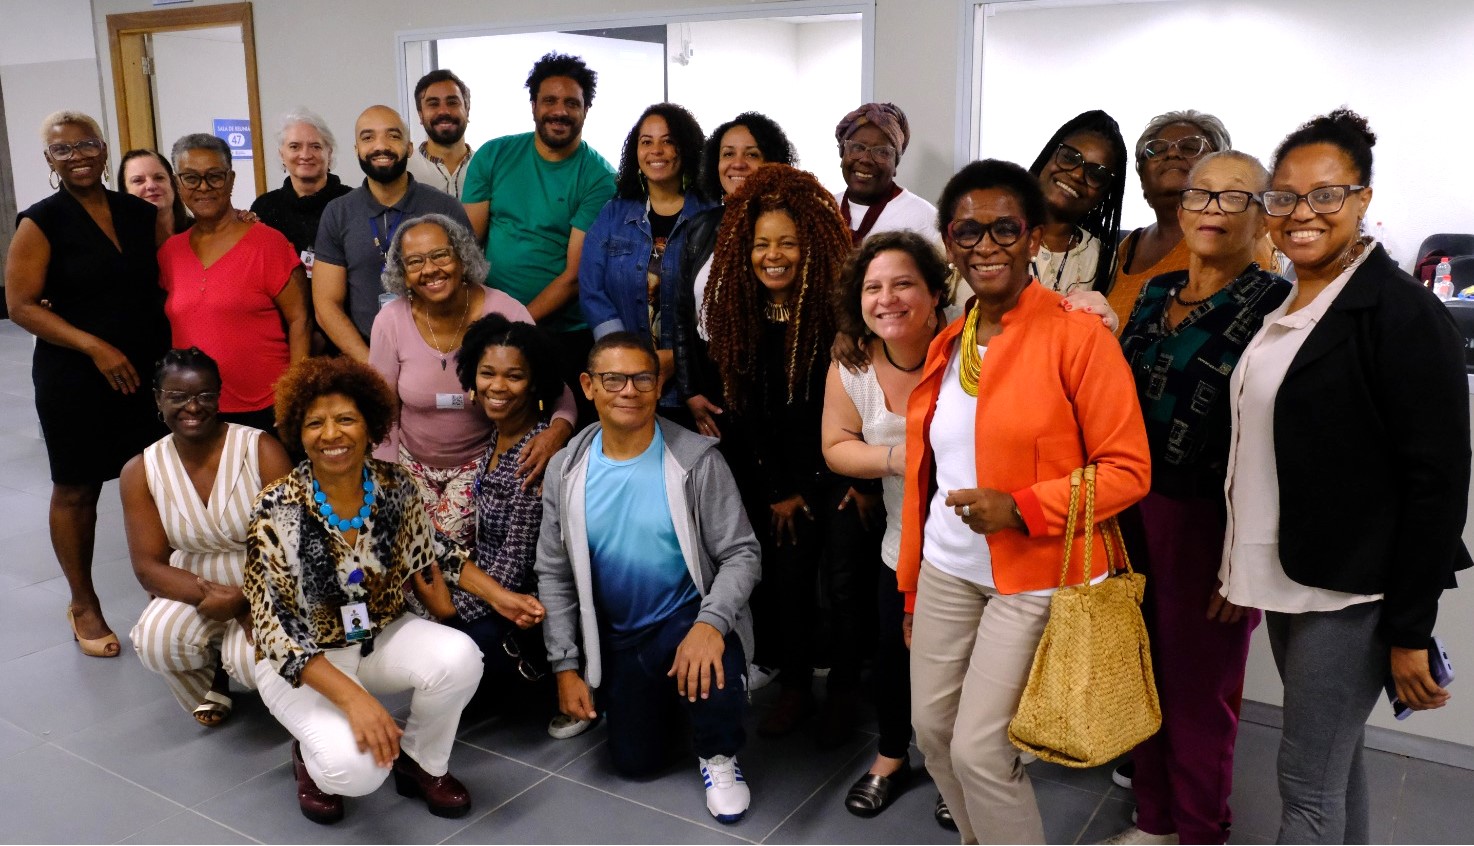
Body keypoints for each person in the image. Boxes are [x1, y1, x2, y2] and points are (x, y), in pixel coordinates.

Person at [1216, 109, 1468, 844]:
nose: (1301, 214)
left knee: (1305, 788)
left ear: (1361, 200)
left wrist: (1410, 629)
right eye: (1284, 196)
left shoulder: (1401, 314)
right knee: (1335, 762)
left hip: (1350, 592)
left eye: (1326, 195)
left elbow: (1438, 483)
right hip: (1292, 576)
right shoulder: (1284, 301)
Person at [898, 159, 1150, 844]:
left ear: (1033, 237)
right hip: (949, 571)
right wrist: (913, 591)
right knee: (932, 730)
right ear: (949, 243)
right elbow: (928, 474)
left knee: (981, 750)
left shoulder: (1076, 336)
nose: (986, 245)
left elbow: (1127, 469)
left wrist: (1022, 507)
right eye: (968, 231)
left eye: (1004, 228)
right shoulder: (950, 342)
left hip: (1036, 574)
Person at [1106, 152, 1292, 845]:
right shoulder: (1154, 296)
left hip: (1212, 524)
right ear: (1179, 208)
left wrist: (1247, 561)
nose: (1212, 209)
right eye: (1200, 195)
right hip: (1131, 511)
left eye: (1233, 197)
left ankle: (1198, 832)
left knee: (1198, 698)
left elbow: (1280, 445)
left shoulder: (1276, 307)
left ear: (1262, 213)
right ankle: (1153, 822)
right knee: (1139, 679)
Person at [245, 356, 519, 824]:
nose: (331, 434)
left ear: (370, 425)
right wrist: (356, 702)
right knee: (356, 774)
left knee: (461, 657)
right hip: (305, 662)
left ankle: (421, 763)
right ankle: (310, 758)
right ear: (298, 431)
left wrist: (500, 596)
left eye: (346, 419)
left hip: (378, 639)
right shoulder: (279, 508)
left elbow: (436, 551)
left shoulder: (393, 486)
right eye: (316, 423)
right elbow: (277, 632)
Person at [536, 332, 760, 823]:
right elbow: (552, 571)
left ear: (659, 387)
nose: (628, 390)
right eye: (612, 379)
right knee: (636, 766)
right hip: (616, 638)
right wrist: (565, 665)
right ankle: (670, 702)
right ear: (588, 386)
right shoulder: (565, 468)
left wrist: (710, 625)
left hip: (684, 618)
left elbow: (743, 553)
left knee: (711, 666)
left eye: (642, 378)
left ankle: (718, 752)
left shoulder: (698, 459)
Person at [4, 110, 170, 658]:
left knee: (150, 484)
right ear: (49, 161)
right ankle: (83, 601)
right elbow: (21, 305)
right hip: (75, 375)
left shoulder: (137, 213)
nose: (76, 156)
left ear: (104, 151)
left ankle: (166, 592)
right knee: (77, 490)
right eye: (62, 150)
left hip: (144, 370)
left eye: (86, 145)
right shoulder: (40, 221)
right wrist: (94, 346)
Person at [699, 163, 851, 736]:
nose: (773, 254)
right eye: (762, 243)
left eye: (787, 241)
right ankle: (793, 686)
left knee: (843, 584)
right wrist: (779, 491)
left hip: (840, 473)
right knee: (787, 582)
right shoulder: (738, 314)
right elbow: (745, 418)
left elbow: (867, 410)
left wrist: (855, 483)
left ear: (810, 242)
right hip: (777, 480)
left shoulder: (840, 316)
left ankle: (842, 689)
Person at [822, 230, 954, 821]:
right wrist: (901, 460)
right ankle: (892, 755)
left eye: (904, 283)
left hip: (975, 546)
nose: (889, 298)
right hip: (901, 544)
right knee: (893, 656)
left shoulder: (970, 350)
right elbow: (836, 447)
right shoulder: (851, 364)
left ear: (934, 293)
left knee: (971, 664)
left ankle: (967, 770)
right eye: (874, 287)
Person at [369, 214, 575, 547]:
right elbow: (382, 412)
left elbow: (557, 390)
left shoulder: (505, 310)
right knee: (400, 546)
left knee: (440, 549)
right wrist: (389, 481)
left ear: (462, 258)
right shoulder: (390, 321)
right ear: (403, 274)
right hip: (409, 463)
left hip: (478, 462)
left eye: (440, 255)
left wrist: (558, 432)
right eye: (415, 261)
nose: (431, 269)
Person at [123, 348, 295, 726]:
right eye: (178, 397)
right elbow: (148, 566)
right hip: (191, 579)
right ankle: (213, 675)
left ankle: (239, 672)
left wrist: (248, 601)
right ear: (158, 399)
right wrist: (221, 600)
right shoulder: (140, 470)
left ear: (219, 395)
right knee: (157, 640)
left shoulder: (260, 448)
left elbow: (292, 546)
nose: (193, 407)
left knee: (252, 663)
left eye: (204, 395)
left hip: (266, 577)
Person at [462, 52, 617, 425]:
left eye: (571, 103)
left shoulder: (599, 177)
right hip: (490, 321)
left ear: (586, 109)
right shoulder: (494, 155)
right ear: (533, 105)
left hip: (564, 332)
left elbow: (574, 275)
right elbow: (466, 248)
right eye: (549, 100)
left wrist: (516, 325)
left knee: (563, 430)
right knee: (489, 425)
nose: (559, 111)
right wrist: (483, 322)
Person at [448, 312, 584, 735]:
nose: (497, 387)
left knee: (447, 635)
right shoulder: (499, 433)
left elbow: (516, 568)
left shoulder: (534, 457)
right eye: (487, 373)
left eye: (514, 377)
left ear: (536, 383)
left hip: (523, 604)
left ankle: (537, 683)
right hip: (487, 586)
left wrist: (447, 607)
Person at [158, 133, 310, 433]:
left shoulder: (268, 244)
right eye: (191, 178)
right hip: (194, 412)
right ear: (178, 183)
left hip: (266, 407)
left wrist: (294, 395)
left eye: (215, 176)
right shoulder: (169, 252)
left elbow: (300, 320)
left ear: (230, 179)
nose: (203, 187)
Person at [579, 103, 716, 423]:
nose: (657, 150)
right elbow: (591, 290)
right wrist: (627, 357)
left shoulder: (712, 214)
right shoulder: (614, 213)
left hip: (693, 383)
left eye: (668, 141)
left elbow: (718, 302)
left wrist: (679, 359)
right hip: (623, 382)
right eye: (646, 141)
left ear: (686, 148)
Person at [312, 105, 471, 360]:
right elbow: (326, 305)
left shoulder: (444, 208)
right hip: (364, 356)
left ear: (409, 147)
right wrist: (372, 365)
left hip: (437, 355)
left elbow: (470, 289)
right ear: (357, 150)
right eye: (368, 138)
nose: (380, 146)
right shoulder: (338, 212)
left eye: (393, 136)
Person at [676, 111, 796, 439]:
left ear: (772, 162)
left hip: (772, 389)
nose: (738, 163)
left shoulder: (793, 225)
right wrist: (690, 390)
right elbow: (682, 316)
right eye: (728, 153)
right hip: (709, 390)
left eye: (751, 154)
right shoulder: (701, 227)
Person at [1026, 110, 1127, 294]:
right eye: (1069, 157)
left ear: (1103, 195)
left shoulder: (1102, 262)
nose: (1077, 174)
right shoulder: (989, 231)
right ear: (1048, 156)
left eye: (1096, 174)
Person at [249, 108, 354, 274]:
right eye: (294, 146)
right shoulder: (264, 207)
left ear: (329, 152)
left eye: (315, 146)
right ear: (282, 154)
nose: (305, 154)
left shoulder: (352, 202)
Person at [832, 103, 940, 248]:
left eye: (881, 152)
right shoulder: (824, 209)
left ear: (895, 164)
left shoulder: (924, 219)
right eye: (857, 147)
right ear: (842, 155)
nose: (865, 159)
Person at [406, 69, 476, 199]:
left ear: (467, 109)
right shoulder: (404, 171)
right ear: (420, 115)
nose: (444, 111)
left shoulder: (485, 167)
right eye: (433, 104)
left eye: (452, 103)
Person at [118, 149, 190, 235]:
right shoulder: (119, 243)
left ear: (173, 183)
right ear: (125, 191)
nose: (151, 186)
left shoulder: (200, 233)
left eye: (159, 177)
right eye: (138, 180)